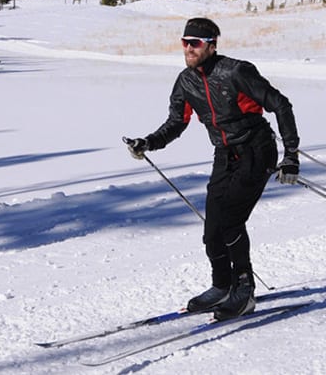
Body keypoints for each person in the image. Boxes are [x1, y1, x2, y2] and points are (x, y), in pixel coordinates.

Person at [124, 17, 300, 321]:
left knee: (231, 219)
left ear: (211, 45)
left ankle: (244, 291)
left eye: (195, 43)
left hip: (256, 149)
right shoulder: (186, 80)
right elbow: (177, 122)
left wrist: (291, 156)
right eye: (184, 42)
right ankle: (222, 286)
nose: (188, 49)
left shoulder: (236, 71)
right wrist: (148, 142)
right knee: (212, 228)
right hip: (225, 153)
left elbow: (280, 104)